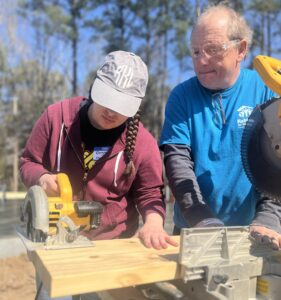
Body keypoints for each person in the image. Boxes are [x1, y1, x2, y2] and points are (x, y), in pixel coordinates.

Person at [20, 50, 177, 251]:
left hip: (114, 244)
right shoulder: (55, 118)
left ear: (136, 105)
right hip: (54, 239)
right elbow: (28, 162)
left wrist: (154, 223)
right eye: (108, 98)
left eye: (122, 105)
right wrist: (41, 177)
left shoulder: (143, 143)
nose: (111, 111)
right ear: (95, 86)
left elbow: (150, 193)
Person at [160, 4, 281, 249]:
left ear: (241, 49)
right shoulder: (181, 97)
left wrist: (269, 216)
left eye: (213, 49)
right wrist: (201, 218)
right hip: (194, 229)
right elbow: (178, 164)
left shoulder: (267, 89)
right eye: (195, 52)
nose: (202, 60)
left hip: (255, 231)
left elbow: (277, 164)